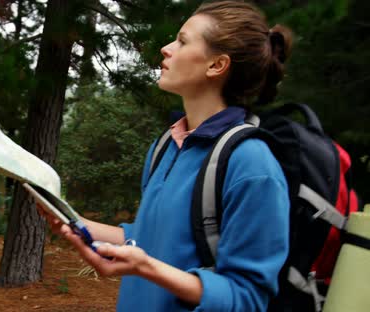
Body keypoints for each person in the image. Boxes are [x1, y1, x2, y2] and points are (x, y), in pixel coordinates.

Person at [38, 1, 293, 311]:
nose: (166, 48)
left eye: (183, 41)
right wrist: (77, 223)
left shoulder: (252, 165)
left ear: (217, 65)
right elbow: (150, 236)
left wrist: (145, 268)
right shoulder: (166, 146)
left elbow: (248, 297)